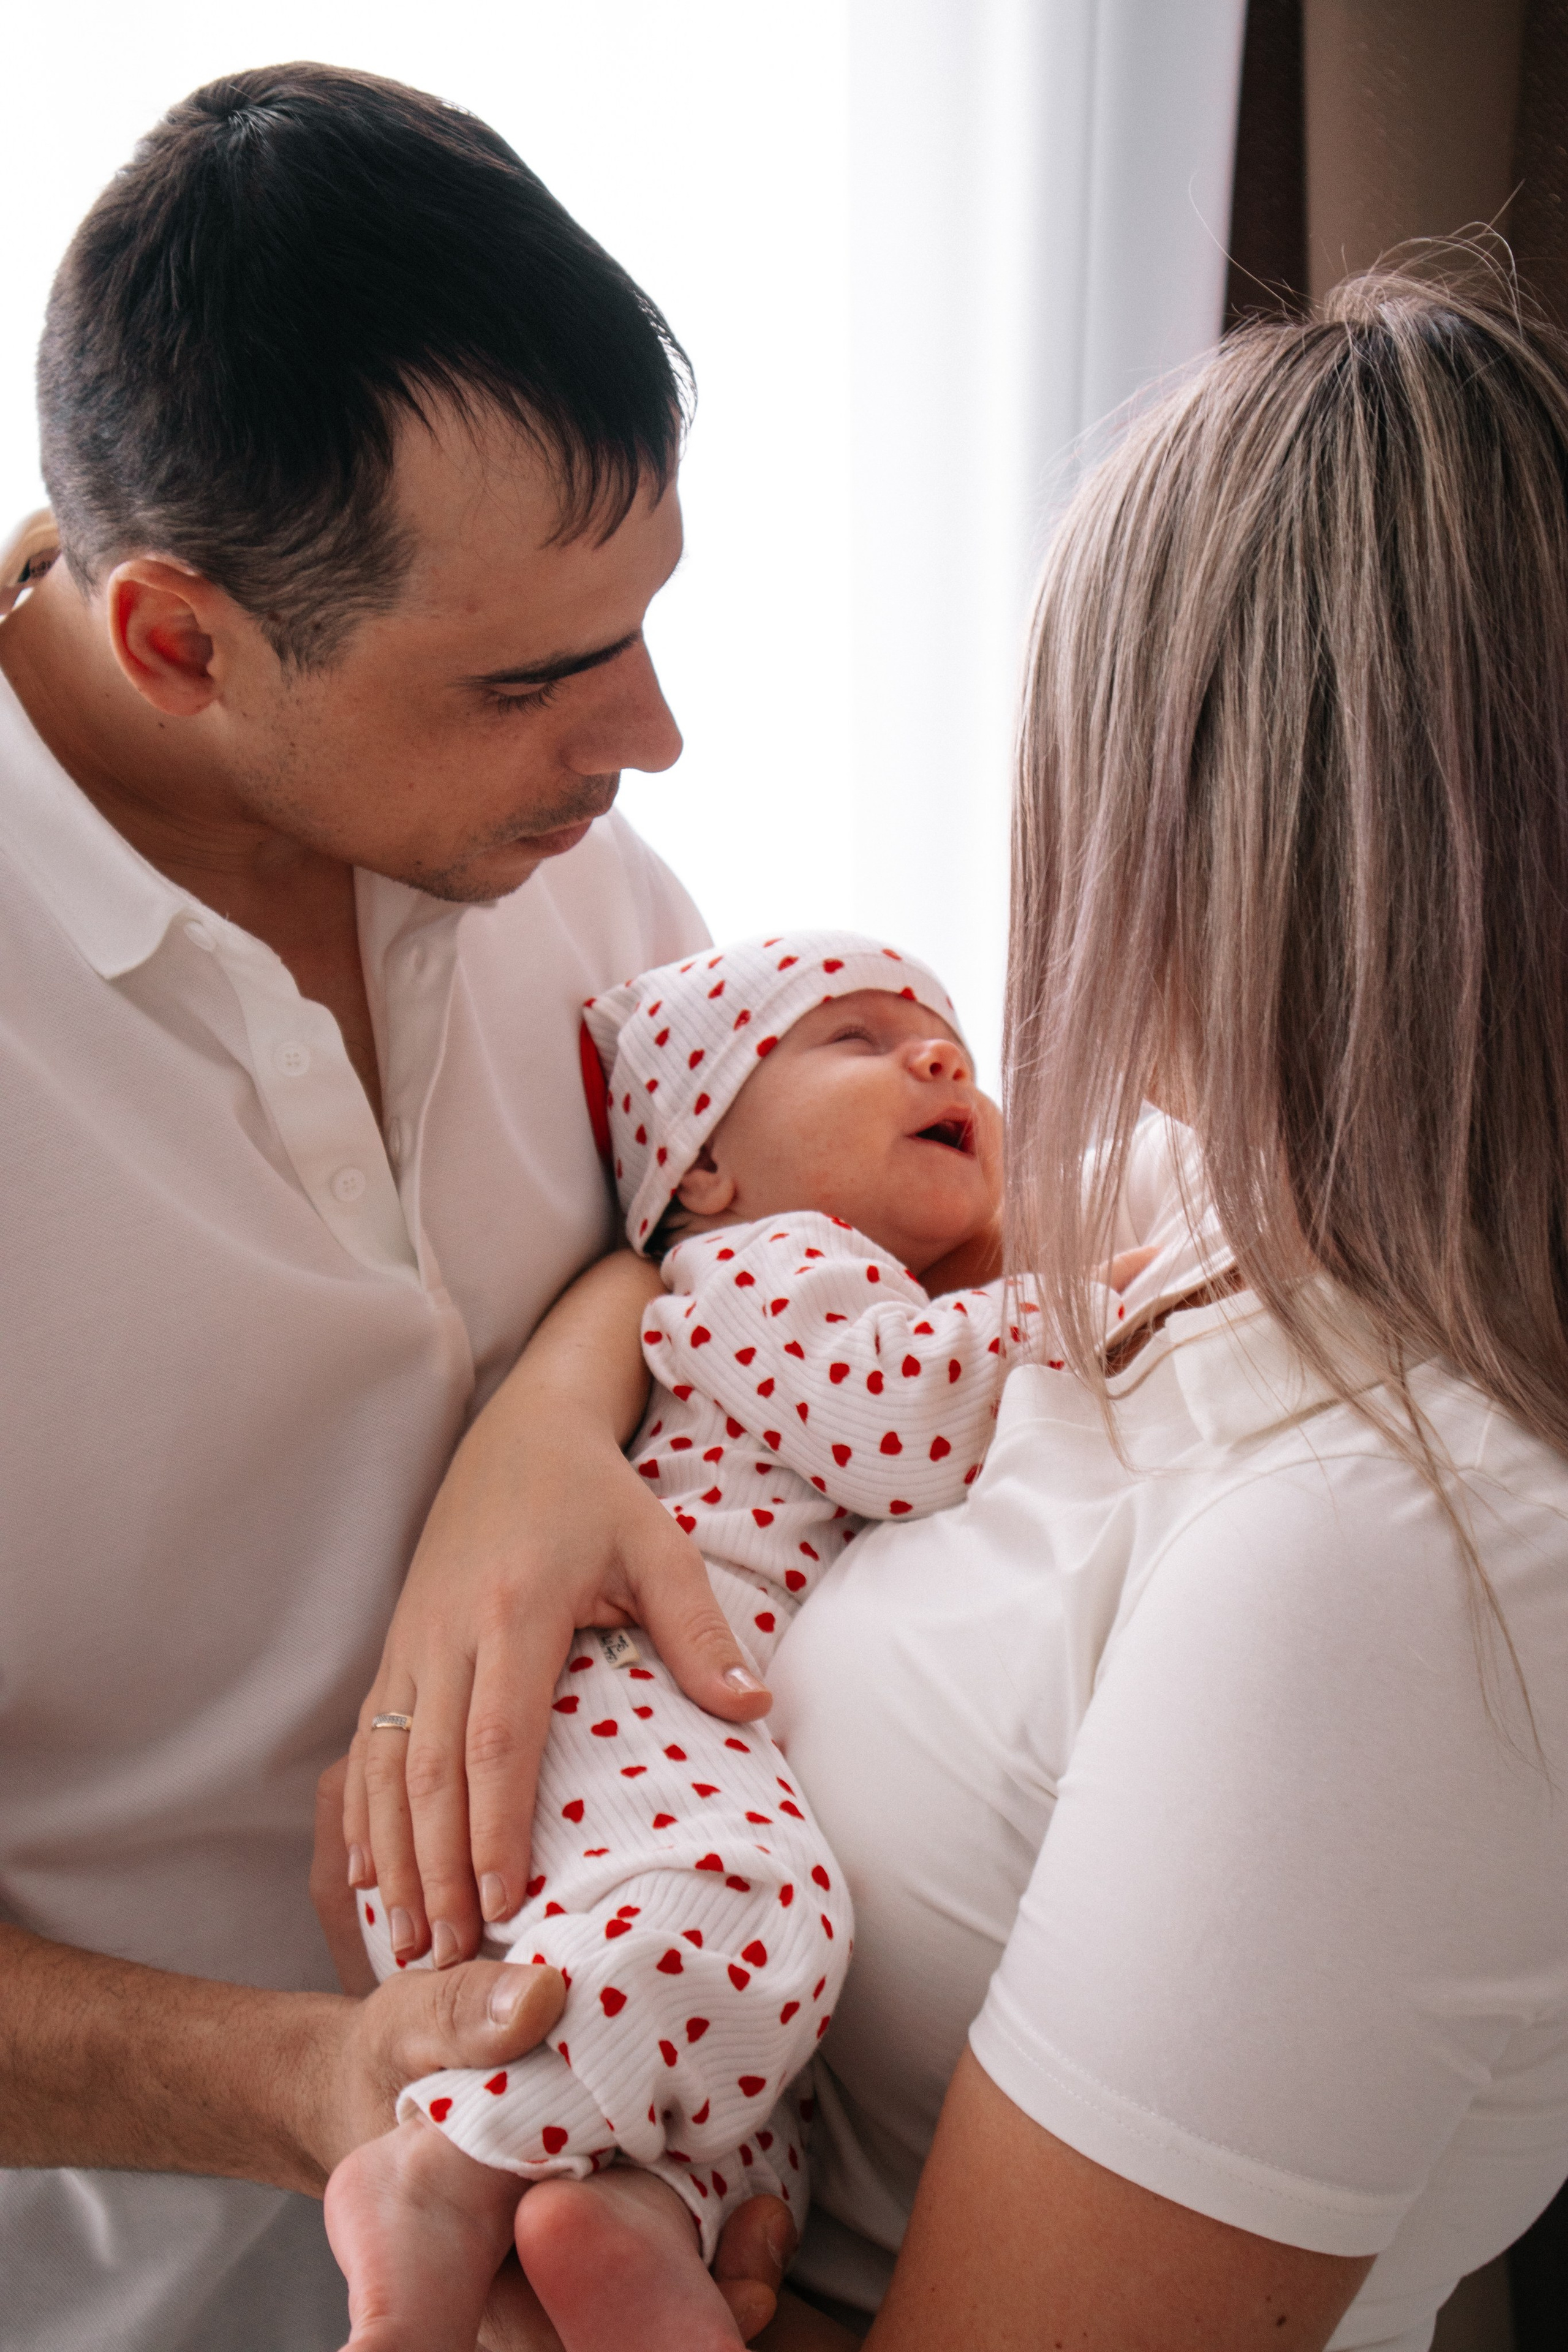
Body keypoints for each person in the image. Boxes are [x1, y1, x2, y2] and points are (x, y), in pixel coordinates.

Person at [331, 262, 1568, 2351]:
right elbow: (765, 1245)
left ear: (1197, 838)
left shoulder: (1403, 1563)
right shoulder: (1206, 1191)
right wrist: (549, 1416)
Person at [0, 62, 789, 2352]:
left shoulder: (557, 852)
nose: (647, 740)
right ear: (179, 643)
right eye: (540, 676)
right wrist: (333, 2086)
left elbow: (780, 1232)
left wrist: (562, 1391)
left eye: (641, 622)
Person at [326, 927, 1207, 2351]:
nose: (936, 1059)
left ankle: (621, 2228)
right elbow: (901, 1420)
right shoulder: (751, 1270)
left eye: (954, 1055)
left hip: (647, 1753)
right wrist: (1115, 1302)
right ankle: (437, 2174)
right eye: (853, 1043)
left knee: (752, 2099)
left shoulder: (843, 1271)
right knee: (750, 1907)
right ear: (701, 1175)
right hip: (601, 1710)